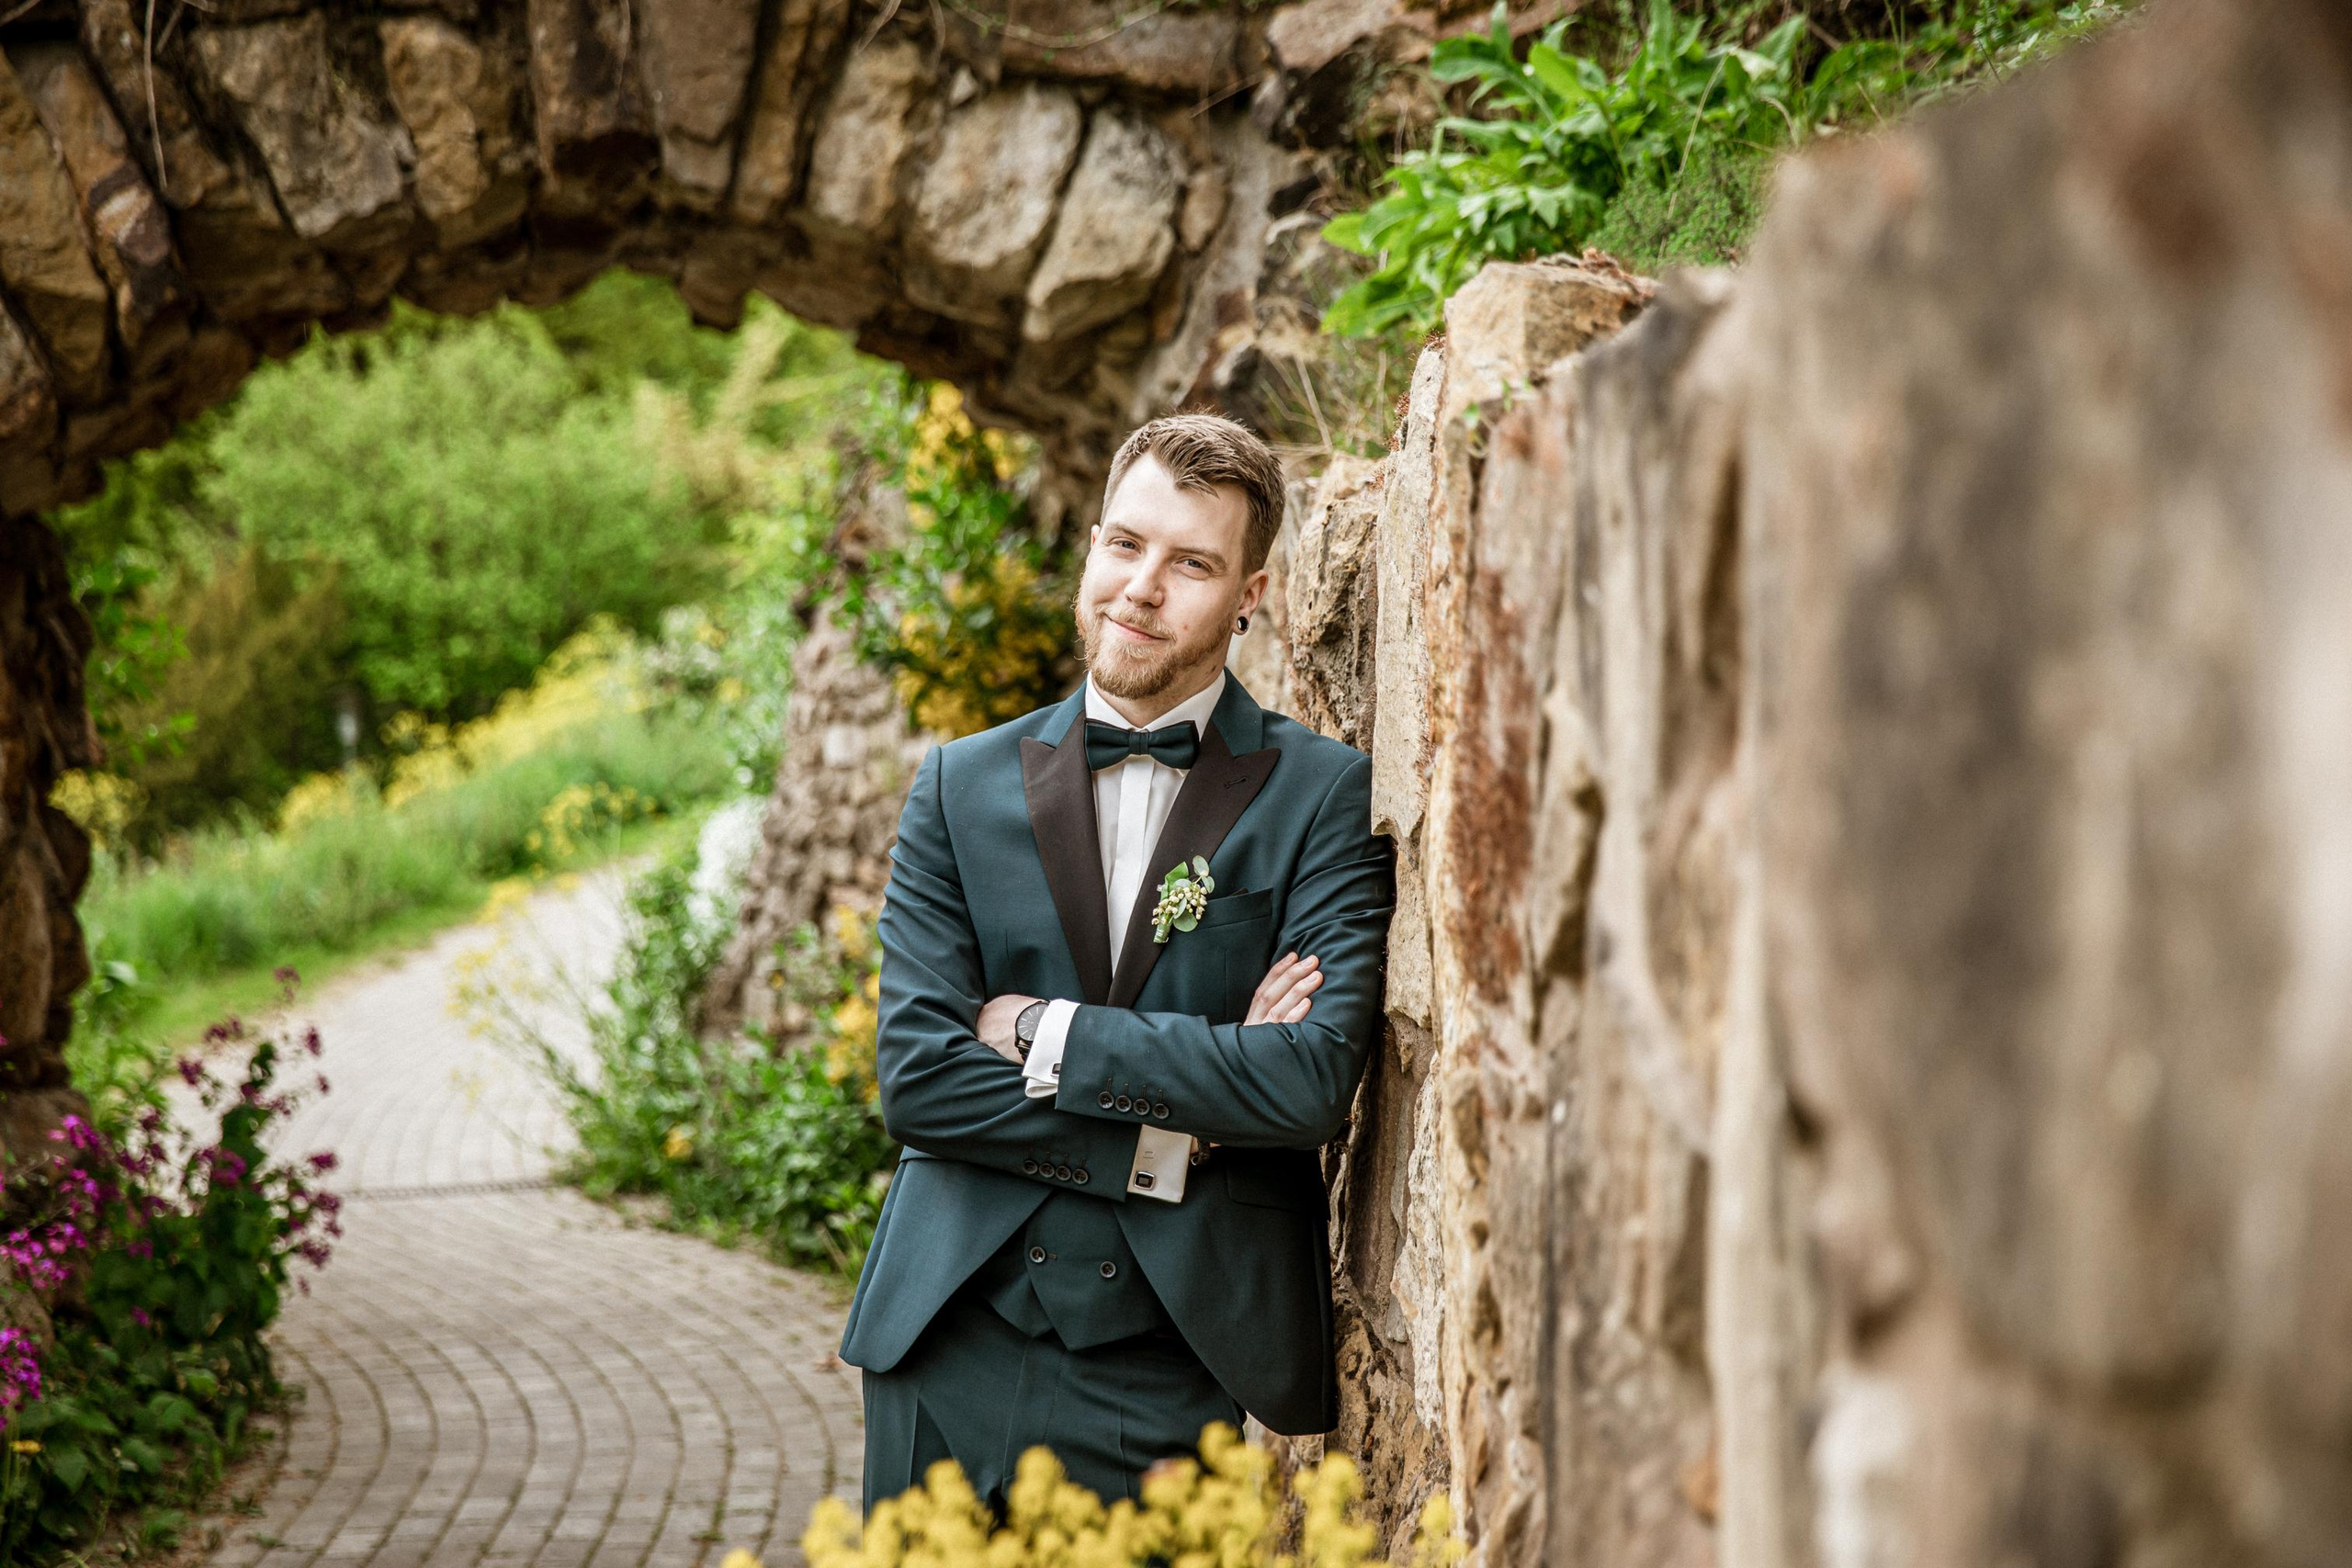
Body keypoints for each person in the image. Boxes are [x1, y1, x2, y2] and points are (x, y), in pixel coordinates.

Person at [838, 412, 1396, 1513]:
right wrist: (1175, 1126)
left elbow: (1310, 1080)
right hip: (942, 1336)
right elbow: (920, 1079)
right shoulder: (958, 785)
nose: (1142, 586)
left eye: (1191, 562)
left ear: (1252, 595)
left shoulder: (1320, 795)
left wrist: (1048, 1035)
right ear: (1091, 546)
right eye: (1125, 545)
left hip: (1172, 1355)